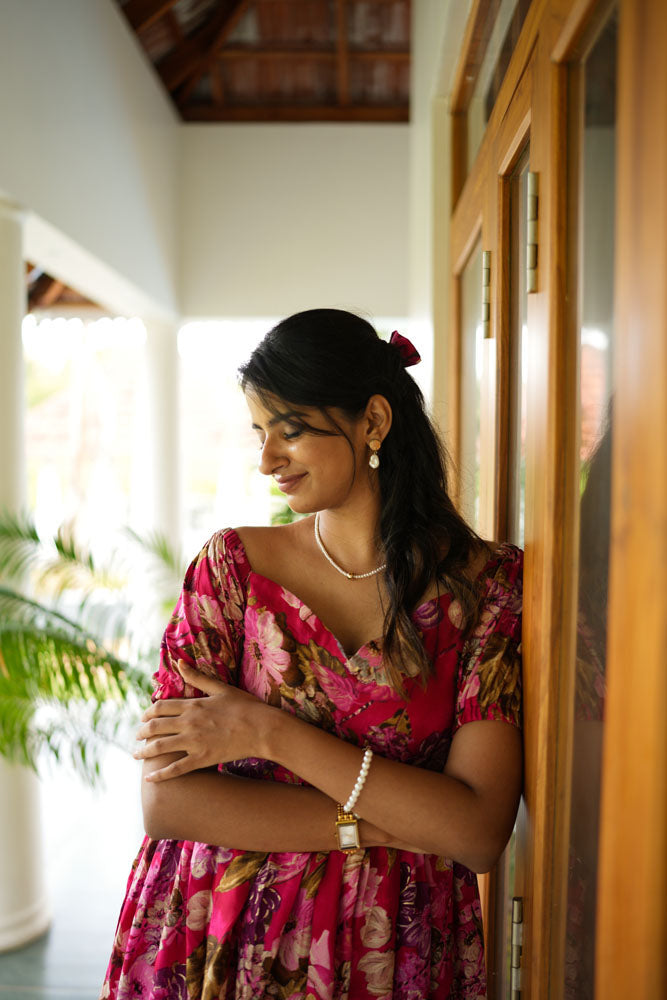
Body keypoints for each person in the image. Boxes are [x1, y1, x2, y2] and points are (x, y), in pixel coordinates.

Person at [100, 308, 523, 999]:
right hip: (220, 932)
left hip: (398, 947)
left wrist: (270, 733)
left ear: (373, 422)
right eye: (259, 433)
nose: (265, 459)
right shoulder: (233, 567)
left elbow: (476, 834)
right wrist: (396, 821)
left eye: (289, 429)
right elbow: (167, 802)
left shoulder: (488, 586)